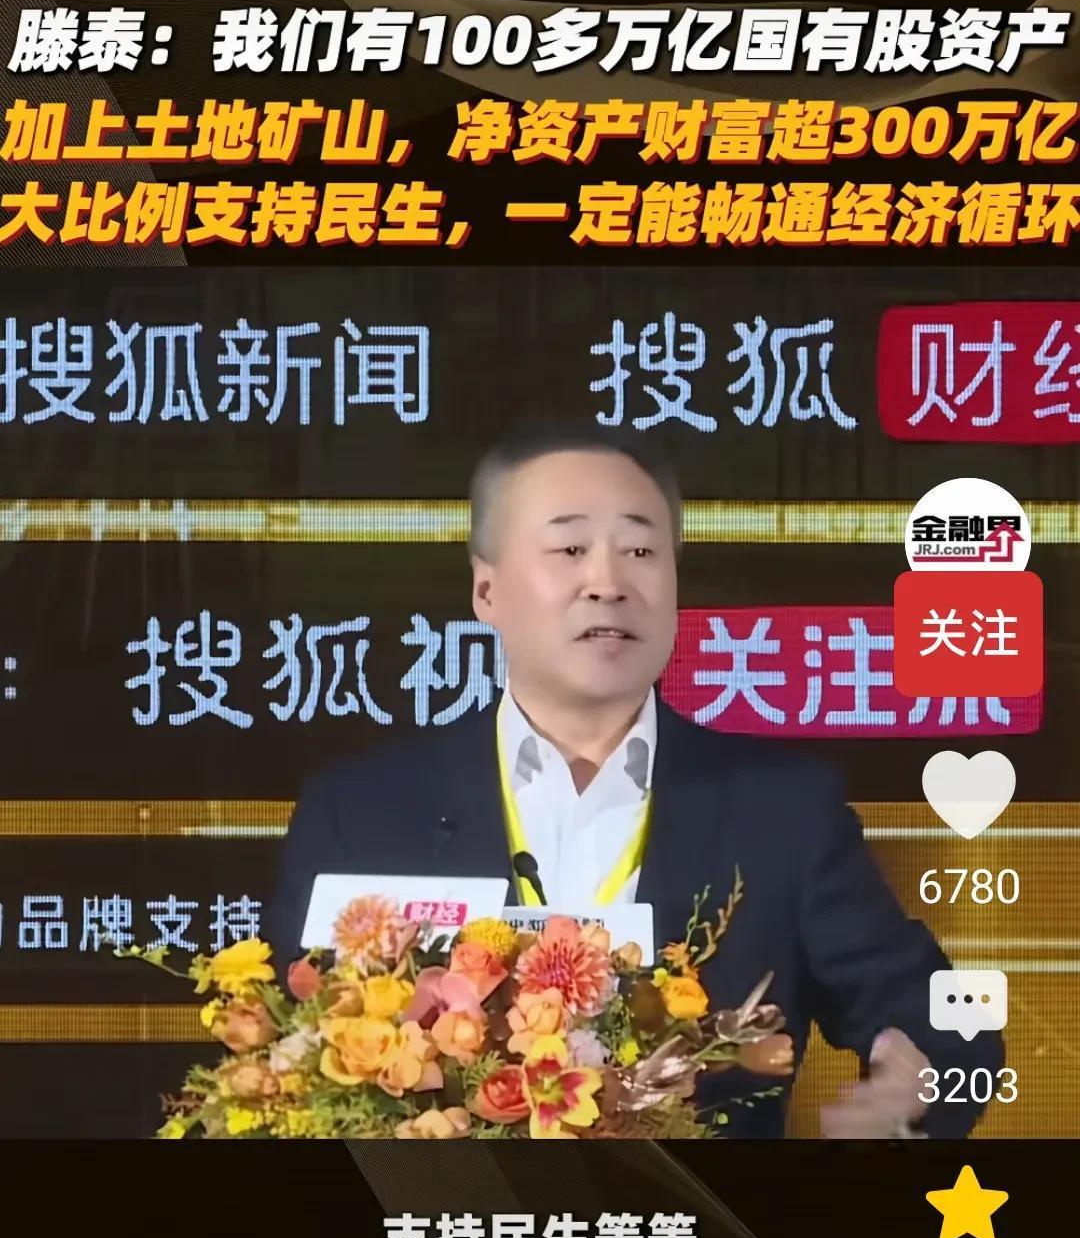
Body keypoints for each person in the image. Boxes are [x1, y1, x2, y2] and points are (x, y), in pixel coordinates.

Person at [268, 421, 1000, 1139]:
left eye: (642, 550)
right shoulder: (360, 812)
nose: (608, 583)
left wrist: (908, 1086)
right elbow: (277, 1052)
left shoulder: (781, 810)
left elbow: (946, 1024)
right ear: (487, 590)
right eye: (569, 548)